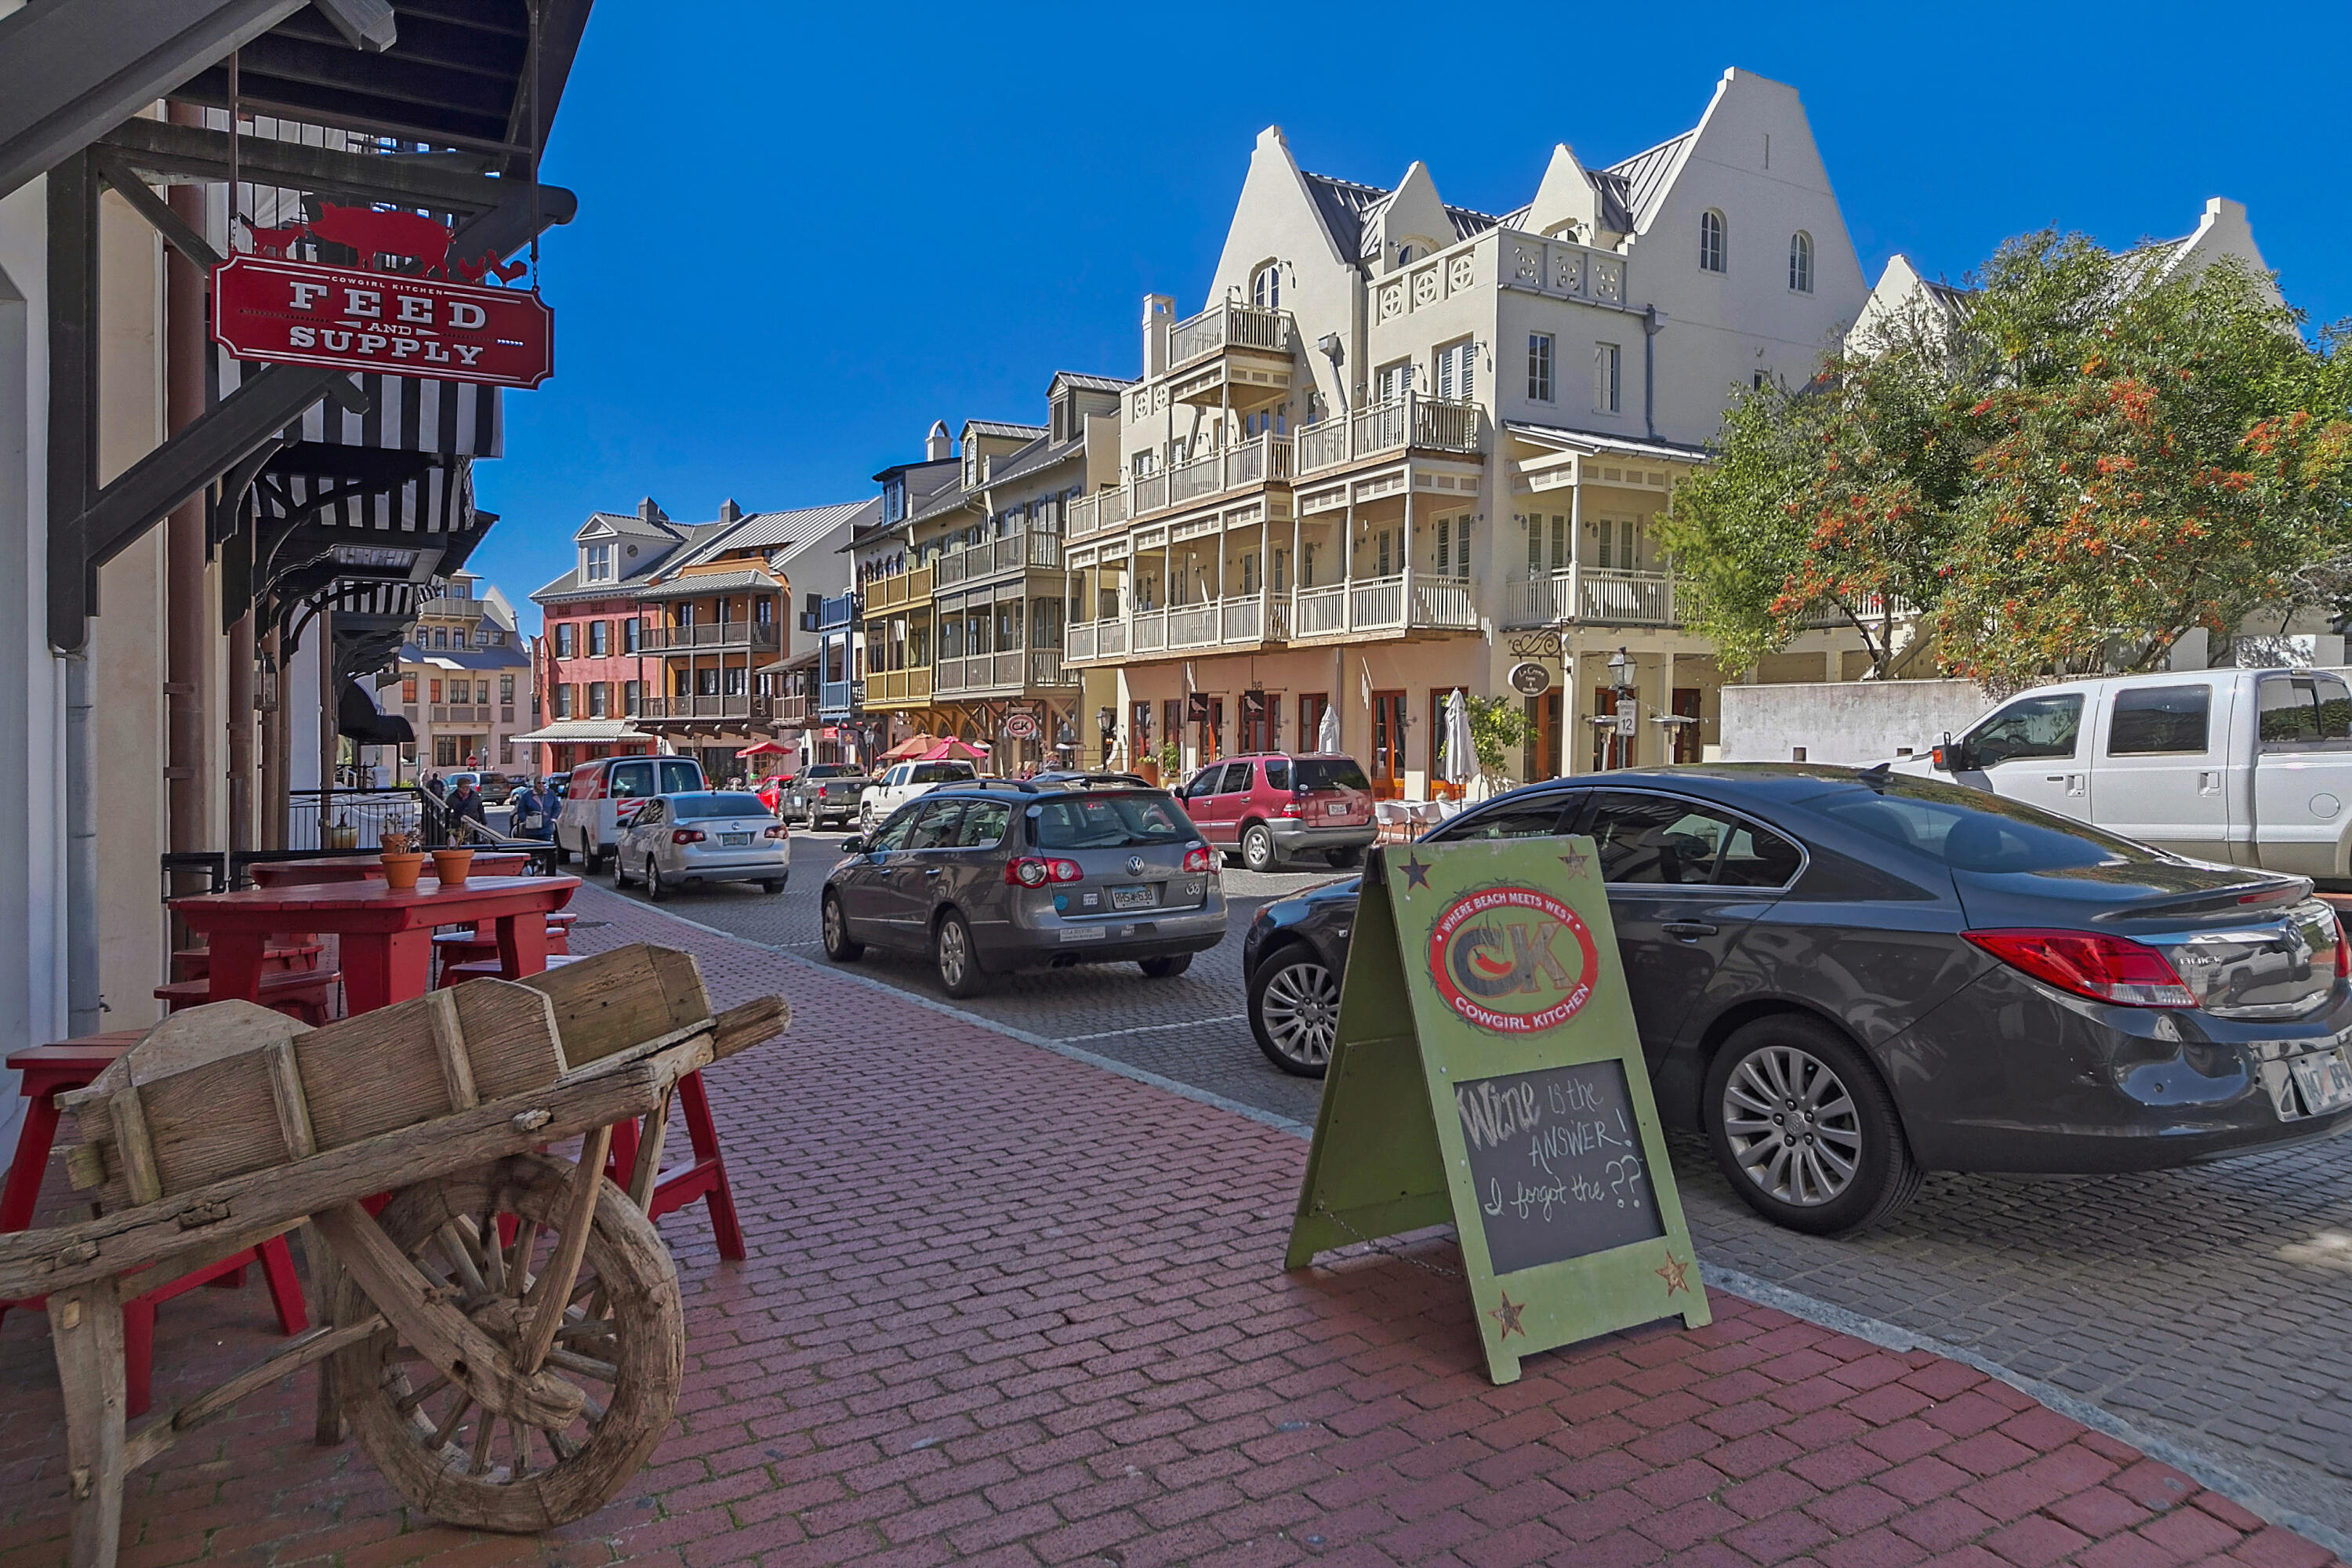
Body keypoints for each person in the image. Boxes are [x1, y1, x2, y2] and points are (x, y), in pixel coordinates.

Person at [445, 775, 488, 840]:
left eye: (468, 787)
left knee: (474, 841)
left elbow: (480, 809)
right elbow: (447, 811)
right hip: (458, 824)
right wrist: (448, 826)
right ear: (459, 788)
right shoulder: (452, 797)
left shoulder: (475, 796)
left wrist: (484, 823)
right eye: (464, 787)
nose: (467, 789)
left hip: (473, 824)